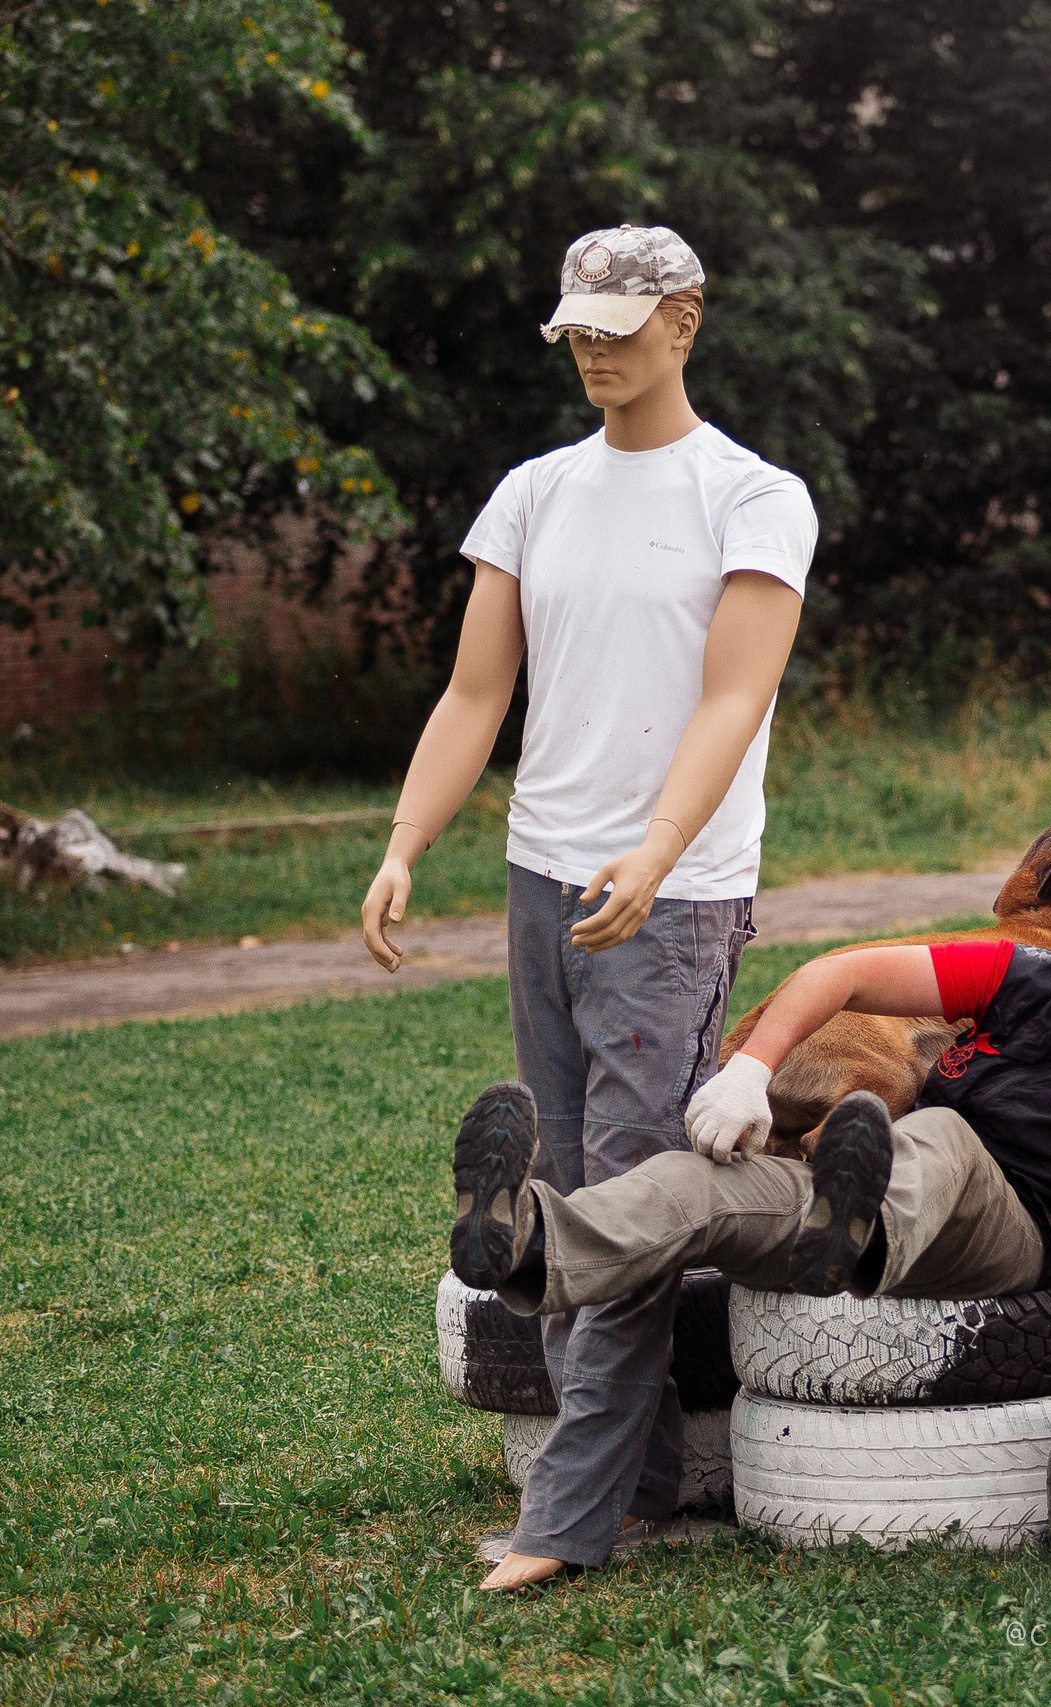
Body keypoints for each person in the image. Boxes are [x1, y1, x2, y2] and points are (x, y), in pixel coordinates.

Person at [357, 224, 816, 1592]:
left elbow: (735, 695)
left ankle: (569, 1512)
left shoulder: (754, 496)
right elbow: (474, 694)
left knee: (619, 1193)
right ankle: (642, 1477)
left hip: (669, 898)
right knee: (562, 1182)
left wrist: (663, 846)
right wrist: (404, 840)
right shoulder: (534, 494)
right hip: (541, 877)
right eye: (579, 328)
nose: (595, 349)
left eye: (621, 324)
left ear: (686, 320)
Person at [447, 907, 1051, 1566]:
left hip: (1015, 1234)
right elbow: (844, 973)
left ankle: (857, 1234)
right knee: (701, 1183)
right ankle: (527, 1244)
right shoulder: (1028, 976)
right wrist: (752, 1068)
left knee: (941, 1135)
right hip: (867, 1187)